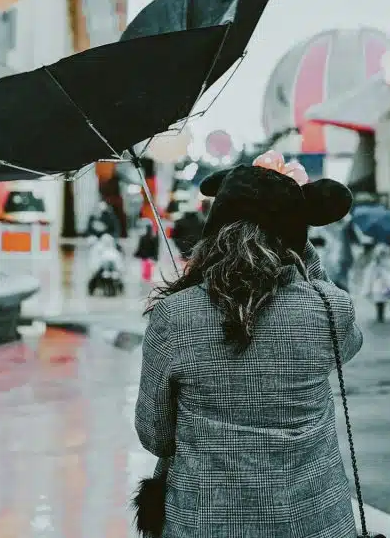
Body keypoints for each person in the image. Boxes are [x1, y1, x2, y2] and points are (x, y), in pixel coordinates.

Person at [134, 153, 363, 538]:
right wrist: (303, 250)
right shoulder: (329, 307)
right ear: (295, 236)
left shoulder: (174, 315)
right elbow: (347, 345)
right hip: (313, 519)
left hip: (206, 521)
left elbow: (155, 434)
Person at [360, 242, 390, 322]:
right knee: (379, 301)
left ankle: (380, 315)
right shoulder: (375, 264)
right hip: (378, 285)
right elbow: (370, 274)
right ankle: (380, 315)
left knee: (381, 301)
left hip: (383, 285)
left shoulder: (387, 262)